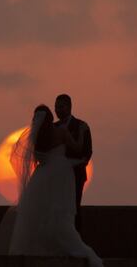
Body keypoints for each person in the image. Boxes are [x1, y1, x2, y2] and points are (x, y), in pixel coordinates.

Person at [0, 105, 103, 267]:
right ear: (51, 117)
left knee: (41, 211)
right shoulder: (61, 132)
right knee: (60, 211)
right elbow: (78, 147)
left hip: (42, 174)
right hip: (62, 173)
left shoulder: (37, 138)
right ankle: (67, 244)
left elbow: (38, 159)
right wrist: (81, 132)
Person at [54, 94, 92, 233]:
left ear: (69, 107)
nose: (58, 110)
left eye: (61, 107)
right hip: (58, 177)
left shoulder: (82, 126)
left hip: (76, 175)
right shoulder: (53, 127)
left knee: (74, 208)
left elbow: (87, 151)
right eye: (56, 107)